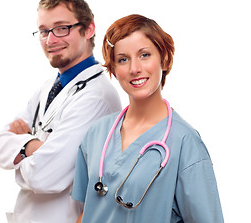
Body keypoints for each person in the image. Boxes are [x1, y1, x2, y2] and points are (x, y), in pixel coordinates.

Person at [71, 14, 224, 222]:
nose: (134, 69)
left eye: (144, 55)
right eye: (123, 59)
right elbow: (87, 211)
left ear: (164, 59)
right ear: (114, 70)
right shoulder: (96, 133)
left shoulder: (185, 143)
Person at [0, 0, 121, 223]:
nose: (51, 40)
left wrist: (20, 147)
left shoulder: (96, 97)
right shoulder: (48, 87)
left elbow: (45, 177)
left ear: (88, 29)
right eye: (44, 31)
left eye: (62, 28)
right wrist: (34, 145)